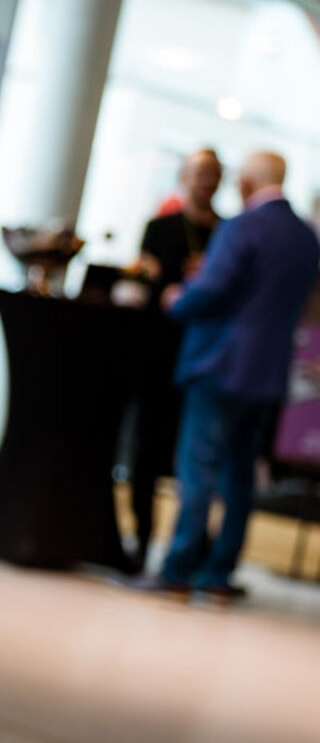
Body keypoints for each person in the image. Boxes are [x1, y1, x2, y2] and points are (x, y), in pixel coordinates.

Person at [140, 151, 320, 599]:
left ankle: (178, 569)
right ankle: (218, 574)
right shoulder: (306, 237)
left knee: (198, 469)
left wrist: (177, 299)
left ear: (247, 181)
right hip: (269, 371)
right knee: (240, 476)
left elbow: (213, 289)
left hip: (220, 363)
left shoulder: (242, 227)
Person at [124, 149, 224, 566]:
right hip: (159, 354)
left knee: (197, 458)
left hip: (205, 359)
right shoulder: (160, 228)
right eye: (199, 173)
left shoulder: (227, 233)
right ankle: (142, 538)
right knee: (146, 451)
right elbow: (144, 287)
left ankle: (190, 550)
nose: (206, 181)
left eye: (213, 174)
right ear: (185, 177)